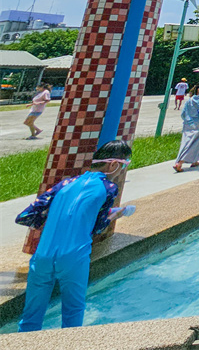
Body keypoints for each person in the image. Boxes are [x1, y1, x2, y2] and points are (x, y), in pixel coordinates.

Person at [16, 139, 135, 332]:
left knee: (30, 317)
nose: (122, 170)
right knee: (72, 314)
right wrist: (119, 213)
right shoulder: (108, 188)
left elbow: (25, 215)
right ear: (113, 165)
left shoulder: (65, 184)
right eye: (124, 165)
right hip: (73, 257)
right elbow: (98, 227)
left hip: (43, 256)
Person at [173, 83, 199, 172]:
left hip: (187, 124)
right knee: (194, 143)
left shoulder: (189, 100)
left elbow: (183, 114)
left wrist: (188, 120)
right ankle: (179, 163)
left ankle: (194, 161)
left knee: (186, 142)